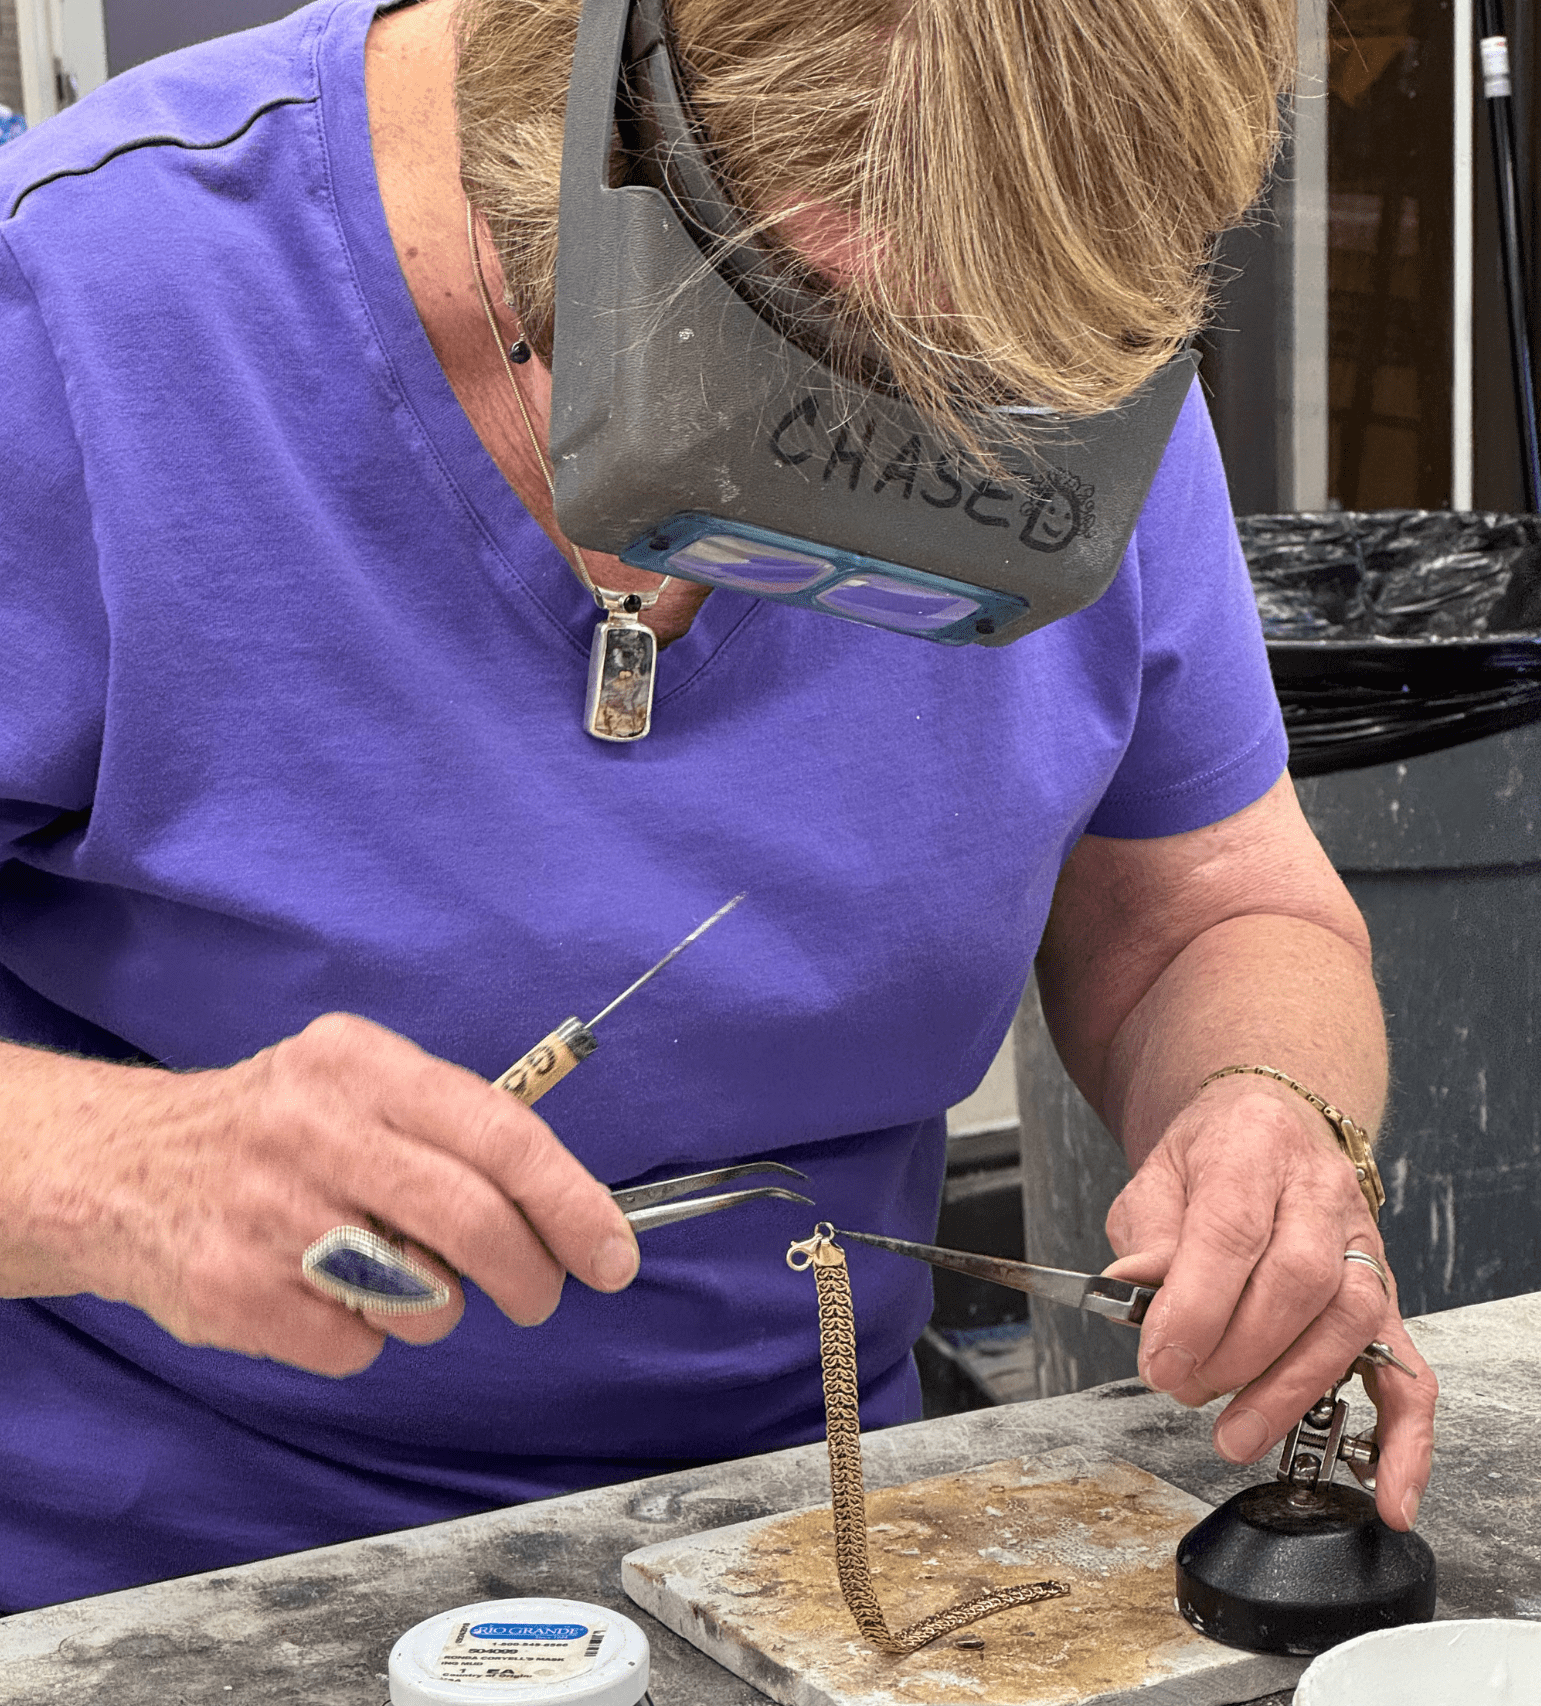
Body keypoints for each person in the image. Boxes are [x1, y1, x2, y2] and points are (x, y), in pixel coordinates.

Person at [0, 0, 1436, 1614]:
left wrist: (1271, 1110)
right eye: (831, 341)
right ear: (610, 120)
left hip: (809, 1555)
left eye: (990, 401)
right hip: (169, 1591)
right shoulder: (80, 309)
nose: (921, 450)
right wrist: (123, 1170)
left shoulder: (1049, 333)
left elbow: (1209, 906)